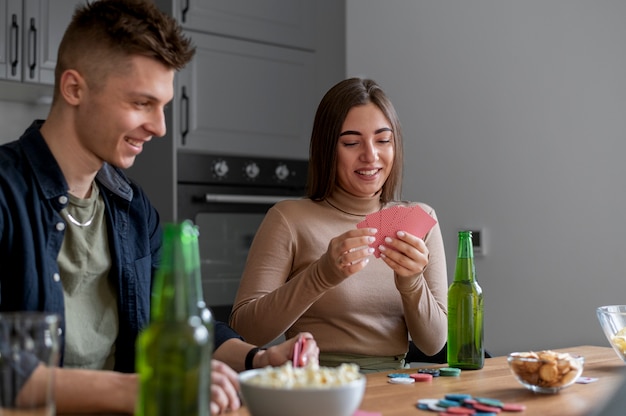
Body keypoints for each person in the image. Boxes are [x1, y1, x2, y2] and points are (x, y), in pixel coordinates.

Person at [0, 0, 318, 414]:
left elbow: (181, 323)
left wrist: (260, 359)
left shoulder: (133, 210)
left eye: (164, 106)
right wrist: (146, 390)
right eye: (140, 103)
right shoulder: (6, 193)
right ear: (74, 88)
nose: (160, 126)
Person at [230, 77, 448, 373]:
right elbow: (245, 331)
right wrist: (320, 275)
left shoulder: (419, 221)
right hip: (318, 386)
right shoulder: (289, 219)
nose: (370, 155)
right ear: (327, 148)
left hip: (396, 385)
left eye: (383, 140)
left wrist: (411, 283)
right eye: (351, 142)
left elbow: (434, 343)